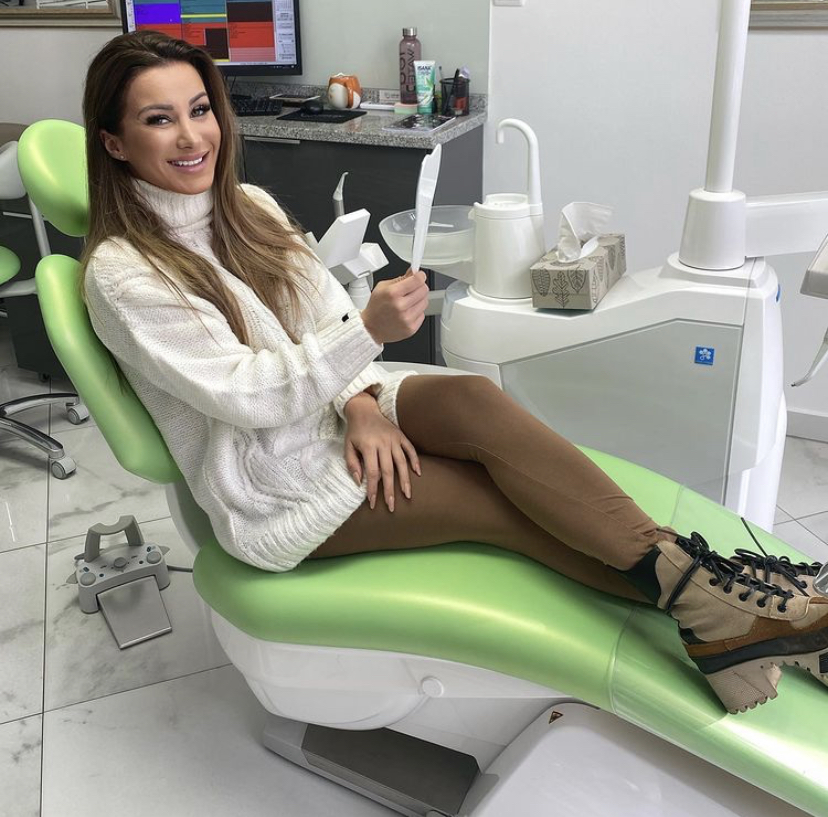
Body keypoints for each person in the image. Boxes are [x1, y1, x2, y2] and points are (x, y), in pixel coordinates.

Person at [81, 30, 827, 715]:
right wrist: (367, 334)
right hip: (279, 483)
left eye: (200, 109)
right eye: (159, 120)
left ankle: (725, 602)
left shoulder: (247, 206)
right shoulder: (123, 274)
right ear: (114, 142)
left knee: (472, 397)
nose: (193, 137)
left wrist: (363, 404)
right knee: (499, 503)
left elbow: (319, 313)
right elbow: (251, 396)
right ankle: (739, 606)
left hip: (336, 411)